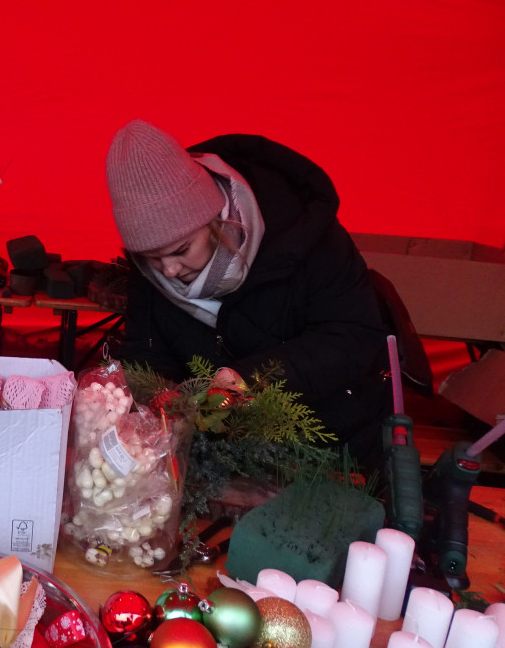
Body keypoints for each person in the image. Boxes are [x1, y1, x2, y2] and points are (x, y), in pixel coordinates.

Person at [105, 120, 390, 466]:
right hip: (218, 458)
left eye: (181, 250)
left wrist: (250, 379)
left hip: (330, 447)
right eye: (151, 258)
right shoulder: (151, 269)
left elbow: (353, 337)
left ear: (217, 220)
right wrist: (154, 405)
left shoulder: (308, 235)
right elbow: (147, 354)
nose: (169, 270)